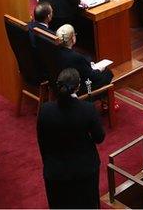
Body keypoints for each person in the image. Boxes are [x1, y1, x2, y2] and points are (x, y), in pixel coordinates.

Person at [36, 67, 105, 209]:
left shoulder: (45, 110)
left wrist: (49, 163)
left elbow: (41, 142)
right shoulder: (88, 109)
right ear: (78, 87)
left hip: (55, 172)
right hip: (85, 170)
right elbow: (99, 138)